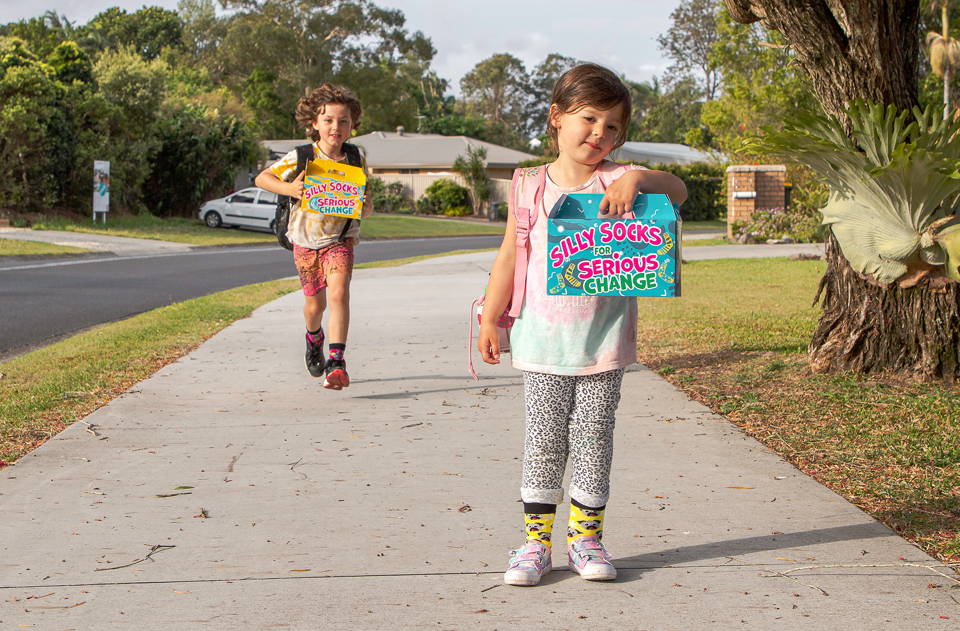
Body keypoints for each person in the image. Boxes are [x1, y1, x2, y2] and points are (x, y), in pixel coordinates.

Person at [477, 64, 687, 586]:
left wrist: (637, 177)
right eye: (588, 118)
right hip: (542, 336)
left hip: (603, 341)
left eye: (613, 126)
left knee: (594, 436)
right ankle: (534, 544)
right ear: (556, 117)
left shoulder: (620, 181)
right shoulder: (526, 184)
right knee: (544, 438)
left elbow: (678, 189)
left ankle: (586, 539)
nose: (599, 133)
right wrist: (490, 315)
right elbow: (510, 254)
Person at [255, 84, 372, 390]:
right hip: (305, 241)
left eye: (343, 121)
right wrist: (291, 188)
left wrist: (365, 204)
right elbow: (263, 178)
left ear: (353, 125)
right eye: (329, 120)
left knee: (339, 292)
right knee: (314, 307)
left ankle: (336, 362)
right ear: (315, 123)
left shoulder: (356, 157)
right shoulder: (302, 156)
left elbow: (365, 201)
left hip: (339, 239)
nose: (336, 127)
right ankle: (313, 338)